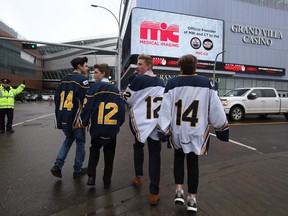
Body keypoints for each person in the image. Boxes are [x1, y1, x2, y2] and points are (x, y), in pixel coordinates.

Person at [157, 54, 229, 212]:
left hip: (178, 130)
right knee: (193, 162)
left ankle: (178, 191)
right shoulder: (205, 83)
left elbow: (165, 110)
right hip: (197, 131)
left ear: (180, 67)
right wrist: (221, 128)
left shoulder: (172, 83)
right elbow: (215, 108)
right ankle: (192, 199)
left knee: (178, 158)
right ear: (195, 67)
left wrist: (162, 130)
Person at [123, 54, 165, 205]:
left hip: (141, 122)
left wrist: (133, 82)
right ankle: (154, 191)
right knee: (155, 156)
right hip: (155, 123)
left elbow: (127, 99)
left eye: (140, 64)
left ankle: (138, 176)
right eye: (137, 64)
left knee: (138, 147)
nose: (137, 67)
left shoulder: (139, 80)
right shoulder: (161, 82)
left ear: (149, 66)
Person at [79, 63, 125, 188]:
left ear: (103, 73)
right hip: (111, 128)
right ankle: (107, 180)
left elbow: (87, 107)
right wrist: (117, 125)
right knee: (109, 154)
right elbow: (122, 111)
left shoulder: (94, 88)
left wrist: (84, 122)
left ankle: (91, 177)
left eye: (96, 72)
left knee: (94, 151)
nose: (94, 75)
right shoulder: (115, 90)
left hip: (97, 127)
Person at [51, 57, 90, 179]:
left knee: (68, 139)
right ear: (79, 66)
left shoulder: (63, 79)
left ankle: (57, 165)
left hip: (64, 115)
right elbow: (86, 99)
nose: (87, 67)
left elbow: (56, 97)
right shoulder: (82, 80)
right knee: (80, 142)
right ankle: (77, 169)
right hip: (76, 116)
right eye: (85, 65)